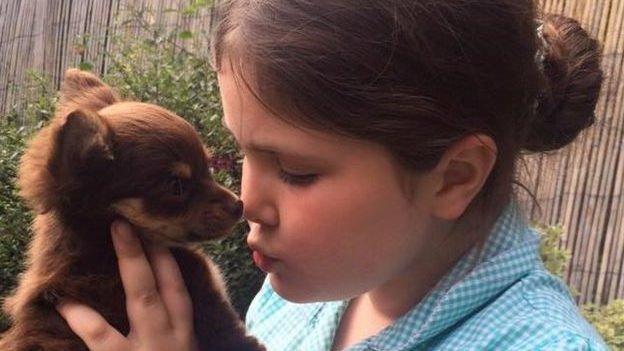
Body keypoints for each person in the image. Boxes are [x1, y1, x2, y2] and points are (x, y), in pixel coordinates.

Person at [57, 0, 609, 350]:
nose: (245, 201)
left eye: (295, 170)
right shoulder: (301, 296)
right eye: (243, 152)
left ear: (454, 177)